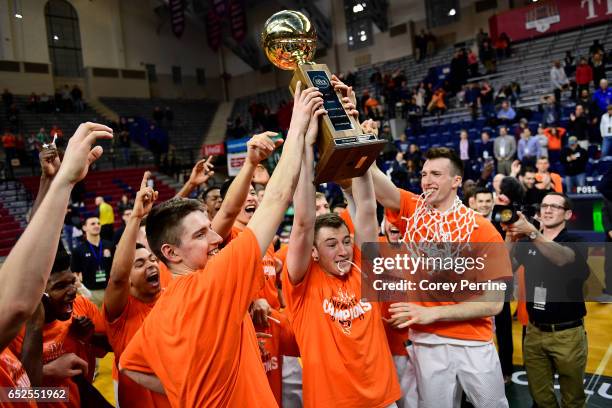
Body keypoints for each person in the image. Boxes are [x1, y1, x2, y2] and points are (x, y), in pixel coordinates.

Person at [118, 82, 324, 407]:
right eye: (200, 234)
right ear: (170, 253)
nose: (215, 238)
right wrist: (297, 127)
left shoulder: (166, 304)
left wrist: (188, 391)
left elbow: (131, 365)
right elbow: (276, 199)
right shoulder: (211, 283)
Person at [371, 147, 511, 408]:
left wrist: (431, 313)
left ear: (456, 180)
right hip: (427, 342)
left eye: (436, 174)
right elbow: (374, 178)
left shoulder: (483, 230)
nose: (427, 180)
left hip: (473, 341)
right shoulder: (414, 211)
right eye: (424, 174)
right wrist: (359, 135)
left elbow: (494, 304)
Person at [283, 116, 401, 406]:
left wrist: (356, 139)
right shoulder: (302, 281)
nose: (344, 251)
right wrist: (308, 145)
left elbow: (366, 209)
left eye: (346, 241)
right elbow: (302, 223)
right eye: (331, 245)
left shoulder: (362, 264)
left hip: (383, 399)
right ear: (313, 252)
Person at [0, 122, 113, 403]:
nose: (72, 291)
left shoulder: (80, 308)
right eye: (61, 285)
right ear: (41, 288)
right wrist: (52, 373)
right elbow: (26, 392)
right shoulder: (19, 327)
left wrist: (52, 182)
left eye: (71, 281)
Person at [506, 193, 590, 408]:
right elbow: (505, 269)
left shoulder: (576, 241)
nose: (548, 210)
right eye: (544, 206)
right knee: (540, 398)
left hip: (567, 335)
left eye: (555, 206)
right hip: (534, 333)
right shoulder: (528, 242)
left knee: (573, 400)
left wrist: (533, 232)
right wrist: (510, 237)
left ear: (568, 214)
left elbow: (561, 258)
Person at [103, 172, 171, 407]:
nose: (151, 265)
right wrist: (136, 216)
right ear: (129, 280)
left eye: (153, 260)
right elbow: (118, 278)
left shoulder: (172, 298)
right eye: (140, 263)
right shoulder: (121, 313)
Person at [71, 216, 114, 297]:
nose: (96, 226)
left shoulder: (109, 245)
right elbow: (75, 273)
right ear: (84, 228)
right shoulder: (78, 250)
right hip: (91, 292)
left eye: (98, 223)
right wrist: (82, 290)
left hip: (111, 289)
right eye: (93, 224)